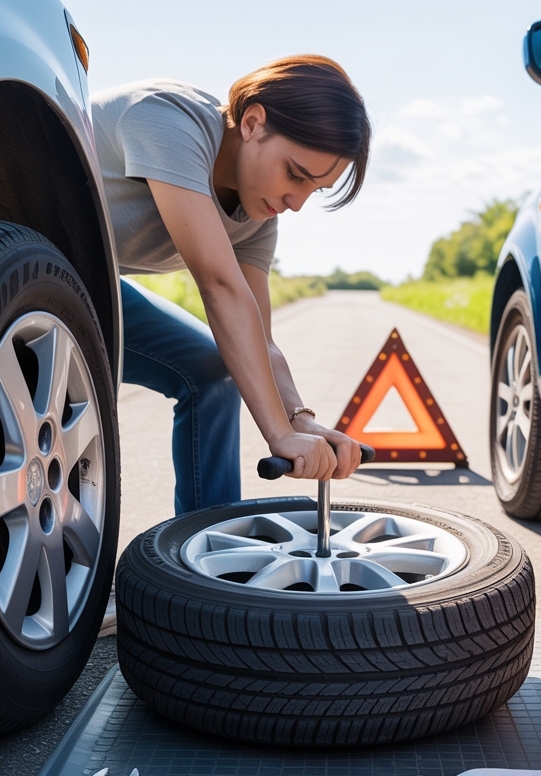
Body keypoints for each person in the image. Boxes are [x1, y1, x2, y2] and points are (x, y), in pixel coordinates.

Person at [92, 56, 371, 514]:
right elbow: (220, 287)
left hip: (83, 282)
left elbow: (259, 337)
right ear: (253, 123)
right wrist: (277, 435)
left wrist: (299, 420)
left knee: (212, 369)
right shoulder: (166, 117)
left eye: (314, 189)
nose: (297, 203)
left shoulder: (257, 215)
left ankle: (206, 542)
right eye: (295, 174)